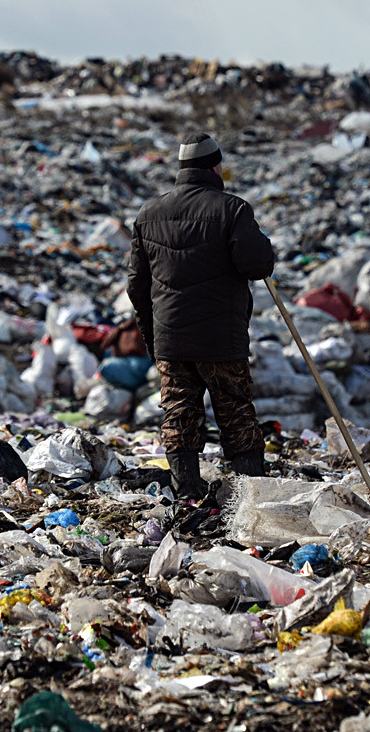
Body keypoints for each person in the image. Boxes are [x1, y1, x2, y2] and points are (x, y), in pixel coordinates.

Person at [127, 132, 275, 498]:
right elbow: (257, 265)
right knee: (236, 413)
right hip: (221, 339)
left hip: (171, 340)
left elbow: (136, 286)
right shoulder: (233, 209)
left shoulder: (149, 214)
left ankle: (186, 495)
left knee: (178, 415)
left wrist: (154, 336)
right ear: (215, 167)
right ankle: (250, 497)